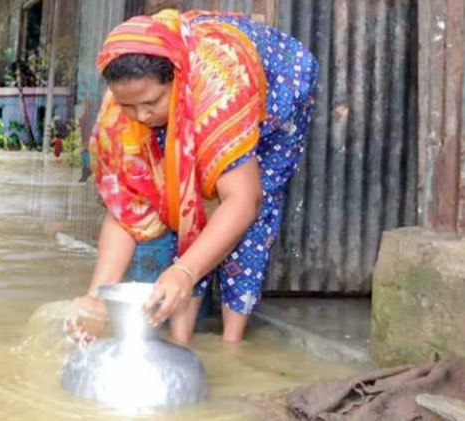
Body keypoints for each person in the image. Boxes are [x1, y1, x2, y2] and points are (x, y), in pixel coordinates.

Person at [71, 9, 318, 345]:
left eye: (151, 102)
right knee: (185, 198)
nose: (141, 115)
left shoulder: (219, 90)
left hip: (280, 88)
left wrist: (185, 271)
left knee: (251, 204)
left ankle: (232, 343)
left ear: (177, 77)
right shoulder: (119, 113)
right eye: (130, 105)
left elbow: (245, 200)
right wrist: (96, 299)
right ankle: (181, 344)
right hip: (202, 91)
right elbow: (126, 207)